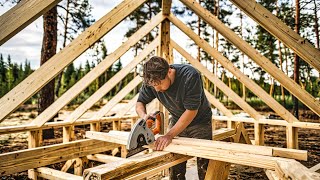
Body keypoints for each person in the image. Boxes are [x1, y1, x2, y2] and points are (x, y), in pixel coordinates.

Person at [136, 56, 212, 180]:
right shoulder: (152, 79)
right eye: (153, 85)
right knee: (175, 163)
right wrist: (144, 116)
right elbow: (140, 103)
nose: (156, 89)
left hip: (200, 121)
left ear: (169, 72)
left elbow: (191, 111)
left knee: (204, 164)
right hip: (177, 119)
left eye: (159, 84)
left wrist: (169, 135)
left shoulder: (190, 76)